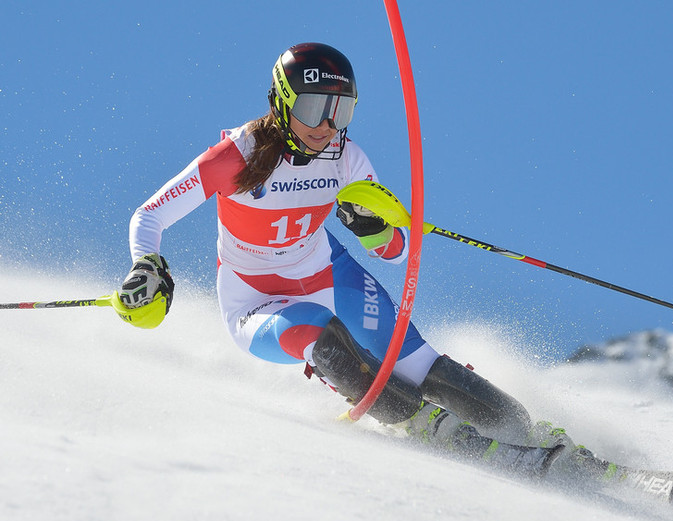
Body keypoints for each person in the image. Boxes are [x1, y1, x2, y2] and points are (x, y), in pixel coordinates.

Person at [116, 42, 578, 480]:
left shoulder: (346, 158)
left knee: (415, 363)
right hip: (253, 302)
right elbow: (150, 214)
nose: (326, 126)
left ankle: (530, 434)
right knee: (317, 330)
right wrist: (146, 265)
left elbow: (395, 253)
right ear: (281, 103)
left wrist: (371, 228)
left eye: (340, 110)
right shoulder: (237, 157)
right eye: (313, 108)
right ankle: (432, 429)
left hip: (328, 273)